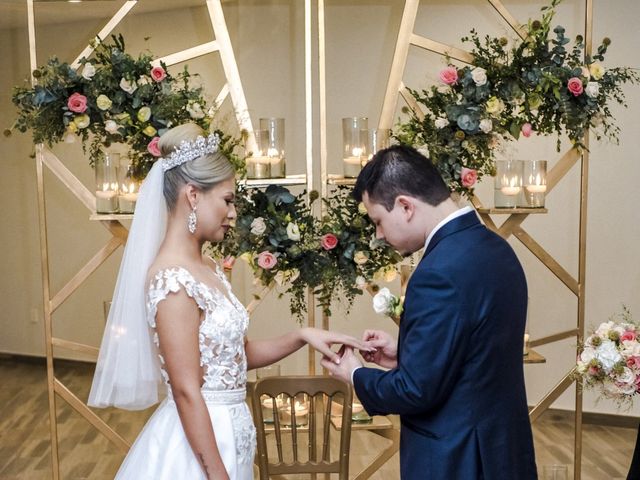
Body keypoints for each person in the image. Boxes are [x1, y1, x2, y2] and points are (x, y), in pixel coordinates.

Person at [88, 123, 364, 480]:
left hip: (231, 432)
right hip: (197, 449)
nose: (233, 214)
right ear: (192, 196)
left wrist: (302, 335)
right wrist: (217, 473)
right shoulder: (172, 280)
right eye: (228, 200)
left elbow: (234, 358)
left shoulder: (207, 268)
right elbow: (187, 391)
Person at [321, 145, 537, 479]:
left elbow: (415, 391)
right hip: (502, 450)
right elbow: (475, 358)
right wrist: (404, 355)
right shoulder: (497, 249)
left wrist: (354, 374)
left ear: (405, 206)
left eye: (378, 220)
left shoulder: (438, 272)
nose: (378, 235)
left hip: (458, 458)